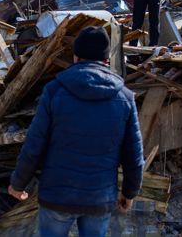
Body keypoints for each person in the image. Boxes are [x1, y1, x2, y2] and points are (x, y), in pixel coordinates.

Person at [8, 26, 144, 237]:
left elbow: (34, 145)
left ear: (75, 56)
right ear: (106, 59)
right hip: (99, 198)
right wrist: (129, 192)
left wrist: (17, 183)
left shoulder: (54, 91)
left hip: (57, 196)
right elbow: (134, 156)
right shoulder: (124, 98)